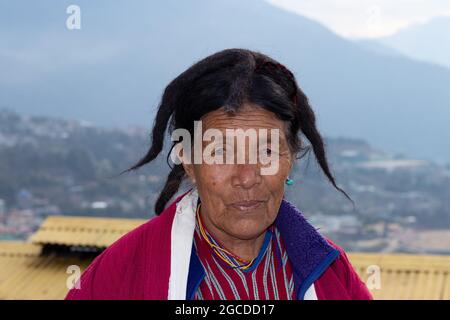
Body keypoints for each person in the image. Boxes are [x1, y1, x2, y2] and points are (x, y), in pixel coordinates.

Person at [65, 48, 372, 300]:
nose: (247, 177)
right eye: (221, 153)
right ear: (187, 159)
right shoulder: (122, 276)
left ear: (290, 157)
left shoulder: (331, 273)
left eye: (266, 151)